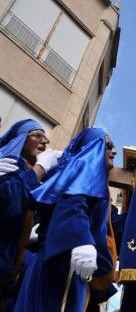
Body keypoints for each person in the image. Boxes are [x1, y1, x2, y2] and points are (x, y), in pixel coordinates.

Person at [14, 128, 117, 312]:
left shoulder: (93, 180)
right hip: (60, 268)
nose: (114, 151)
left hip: (69, 268)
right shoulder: (85, 167)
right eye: (108, 145)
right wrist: (80, 240)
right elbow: (72, 203)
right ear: (92, 148)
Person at [0, 119, 60, 309]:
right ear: (20, 139)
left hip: (12, 276)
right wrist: (39, 169)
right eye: (37, 136)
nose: (45, 141)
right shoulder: (10, 163)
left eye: (45, 137)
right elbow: (12, 202)